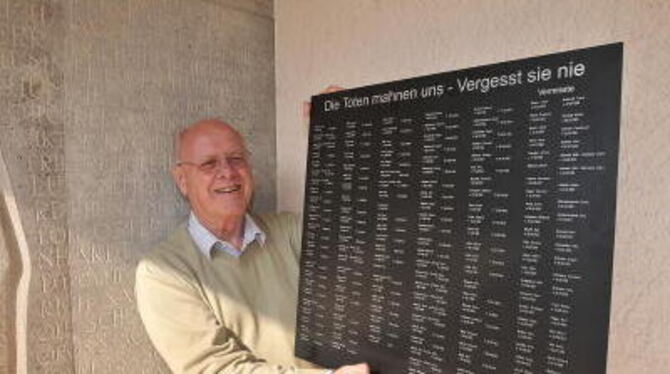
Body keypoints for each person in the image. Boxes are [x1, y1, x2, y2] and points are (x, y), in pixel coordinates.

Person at [135, 119, 369, 374]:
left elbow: (363, 234)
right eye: (209, 163)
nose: (228, 172)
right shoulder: (162, 271)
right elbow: (215, 369)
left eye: (236, 159)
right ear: (182, 180)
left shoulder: (290, 230)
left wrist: (344, 138)